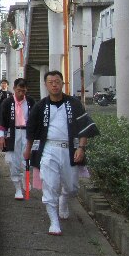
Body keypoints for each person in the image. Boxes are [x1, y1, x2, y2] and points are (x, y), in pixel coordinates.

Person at [23, 70, 99, 235]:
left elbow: (84, 127)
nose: (54, 85)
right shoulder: (40, 106)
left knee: (72, 187)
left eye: (57, 81)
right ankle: (54, 222)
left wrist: (81, 148)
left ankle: (64, 198)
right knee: (49, 185)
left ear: (62, 83)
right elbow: (31, 130)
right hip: (49, 149)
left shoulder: (74, 103)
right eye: (50, 82)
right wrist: (28, 149)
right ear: (46, 85)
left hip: (69, 149)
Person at [0, 78, 35, 200]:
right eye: (18, 91)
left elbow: (36, 119)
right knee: (13, 161)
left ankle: (25, 179)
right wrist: (1, 137)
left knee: (27, 160)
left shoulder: (31, 101)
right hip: (12, 133)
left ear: (26, 90)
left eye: (23, 91)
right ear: (14, 89)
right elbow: (1, 120)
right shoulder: (7, 102)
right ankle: (17, 188)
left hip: (27, 133)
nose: (21, 93)